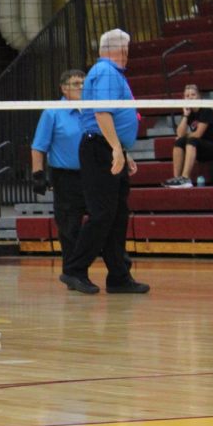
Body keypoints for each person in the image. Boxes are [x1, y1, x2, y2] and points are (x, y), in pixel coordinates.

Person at [63, 28, 149, 295]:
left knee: (116, 215)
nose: (128, 55)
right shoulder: (106, 72)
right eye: (127, 49)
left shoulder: (111, 73)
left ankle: (119, 276)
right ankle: (75, 270)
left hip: (108, 146)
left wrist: (123, 150)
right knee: (103, 214)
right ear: (120, 49)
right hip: (99, 148)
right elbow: (101, 113)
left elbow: (112, 118)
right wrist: (115, 148)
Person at [30, 70, 87, 271]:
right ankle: (72, 271)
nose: (81, 87)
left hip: (92, 176)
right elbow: (39, 146)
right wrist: (38, 174)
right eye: (75, 83)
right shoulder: (52, 112)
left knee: (100, 221)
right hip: (65, 177)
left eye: (83, 83)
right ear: (63, 88)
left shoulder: (93, 110)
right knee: (69, 226)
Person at [164, 84, 213, 187]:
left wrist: (185, 137)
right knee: (179, 142)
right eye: (187, 95)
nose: (190, 97)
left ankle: (185, 178)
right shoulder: (189, 112)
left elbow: (198, 134)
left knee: (191, 140)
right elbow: (180, 134)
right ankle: (177, 178)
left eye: (193, 94)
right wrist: (185, 115)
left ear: (199, 96)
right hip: (201, 146)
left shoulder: (205, 110)